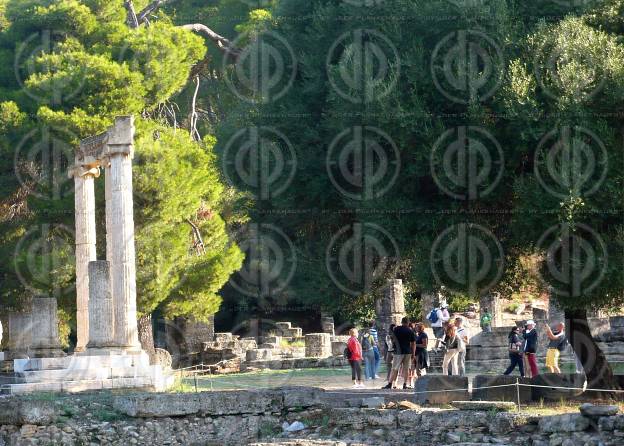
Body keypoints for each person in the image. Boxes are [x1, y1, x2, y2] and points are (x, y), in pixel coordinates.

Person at [382, 317, 416, 390]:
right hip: (407, 352)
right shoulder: (410, 331)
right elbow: (413, 343)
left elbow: (392, 338)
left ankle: (390, 384)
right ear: (408, 322)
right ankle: (405, 384)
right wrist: (413, 353)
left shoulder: (397, 329)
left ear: (402, 322)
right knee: (406, 369)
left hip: (398, 352)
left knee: (394, 368)